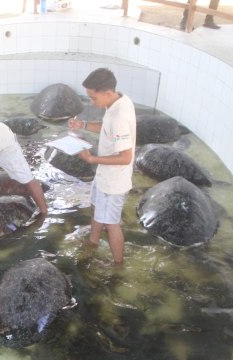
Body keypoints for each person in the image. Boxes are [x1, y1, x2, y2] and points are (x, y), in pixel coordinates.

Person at [67, 68, 136, 266]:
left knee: (112, 224)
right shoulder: (118, 101)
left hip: (114, 181)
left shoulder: (120, 117)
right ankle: (93, 241)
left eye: (93, 97)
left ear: (107, 93)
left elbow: (125, 157)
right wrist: (83, 125)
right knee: (96, 207)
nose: (91, 102)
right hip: (105, 175)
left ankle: (117, 264)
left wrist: (92, 159)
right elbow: (107, 128)